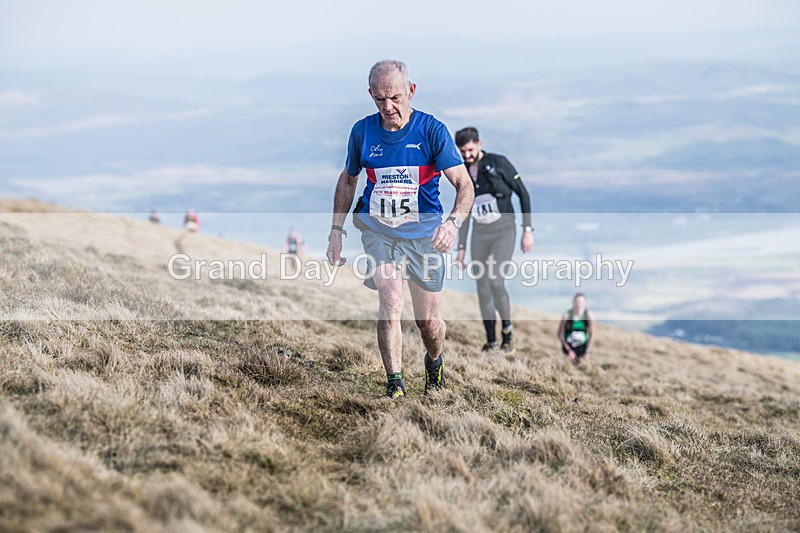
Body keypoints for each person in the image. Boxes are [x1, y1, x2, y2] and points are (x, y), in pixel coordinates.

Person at [325, 60, 474, 399]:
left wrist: (452, 224)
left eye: (394, 97)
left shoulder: (432, 131)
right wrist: (336, 231)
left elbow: (464, 186)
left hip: (424, 235)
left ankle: (434, 362)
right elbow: (349, 179)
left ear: (411, 91)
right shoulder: (362, 132)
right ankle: (395, 384)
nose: (388, 107)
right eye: (379, 100)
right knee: (391, 298)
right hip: (379, 231)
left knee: (429, 325)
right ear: (370, 96)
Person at [454, 127, 534, 354]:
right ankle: (491, 341)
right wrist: (461, 248)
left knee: (496, 282)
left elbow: (523, 193)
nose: (467, 155)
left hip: (504, 231)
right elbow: (465, 212)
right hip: (480, 234)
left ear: (479, 143)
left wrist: (527, 230)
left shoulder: (499, 163)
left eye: (469, 150)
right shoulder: (463, 173)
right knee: (482, 287)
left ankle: (507, 330)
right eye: (462, 152)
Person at [557, 292, 595, 364]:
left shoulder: (589, 316)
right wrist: (569, 351)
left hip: (583, 349)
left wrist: (587, 351)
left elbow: (592, 334)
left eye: (581, 302)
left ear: (585, 303)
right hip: (569, 348)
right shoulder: (567, 315)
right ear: (573, 302)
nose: (579, 304)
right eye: (577, 302)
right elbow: (560, 334)